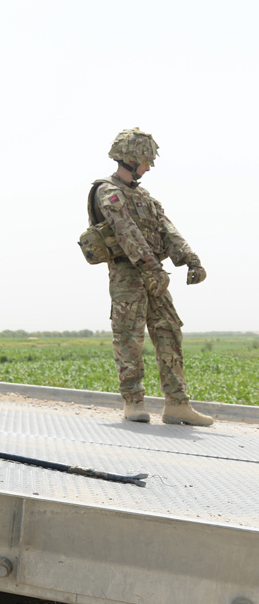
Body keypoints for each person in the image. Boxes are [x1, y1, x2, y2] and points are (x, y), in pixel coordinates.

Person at [90, 128, 213, 426]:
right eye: (146, 160)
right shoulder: (107, 191)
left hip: (154, 274)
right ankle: (133, 402)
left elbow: (166, 230)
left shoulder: (145, 197)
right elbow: (125, 231)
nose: (149, 167)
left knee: (169, 331)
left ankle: (177, 404)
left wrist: (190, 260)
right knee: (129, 337)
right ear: (130, 157)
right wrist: (152, 268)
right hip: (128, 274)